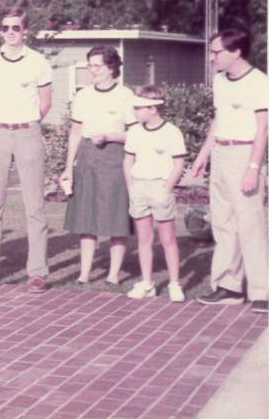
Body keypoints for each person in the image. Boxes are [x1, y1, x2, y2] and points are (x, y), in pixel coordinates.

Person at [0, 9, 53, 293]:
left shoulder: (37, 62)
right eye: (5, 27)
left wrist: (27, 121)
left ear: (25, 31)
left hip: (28, 133)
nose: (10, 31)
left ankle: (37, 272)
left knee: (34, 206)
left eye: (16, 27)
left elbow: (45, 103)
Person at [191, 29, 268, 312]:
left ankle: (262, 292)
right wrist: (203, 154)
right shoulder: (220, 81)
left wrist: (253, 167)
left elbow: (263, 129)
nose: (212, 57)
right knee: (223, 225)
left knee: (251, 225)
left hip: (245, 154)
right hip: (221, 155)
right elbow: (218, 119)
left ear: (236, 52)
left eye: (217, 52)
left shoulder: (259, 82)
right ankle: (228, 287)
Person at [60, 46, 135, 286]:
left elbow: (135, 135)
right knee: (87, 219)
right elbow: (75, 133)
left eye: (97, 66)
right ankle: (84, 273)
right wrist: (68, 167)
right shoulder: (83, 96)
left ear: (112, 67)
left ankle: (113, 274)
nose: (93, 71)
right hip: (88, 159)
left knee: (116, 218)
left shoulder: (126, 96)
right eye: (90, 65)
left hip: (115, 158)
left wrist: (111, 136)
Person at [123, 86, 186, 301]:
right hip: (138, 187)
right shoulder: (134, 131)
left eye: (139, 108)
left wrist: (166, 187)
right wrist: (131, 186)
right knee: (144, 238)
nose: (135, 111)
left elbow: (179, 164)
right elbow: (128, 160)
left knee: (168, 238)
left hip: (160, 187)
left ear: (153, 109)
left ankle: (175, 284)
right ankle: (147, 283)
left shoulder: (172, 132)